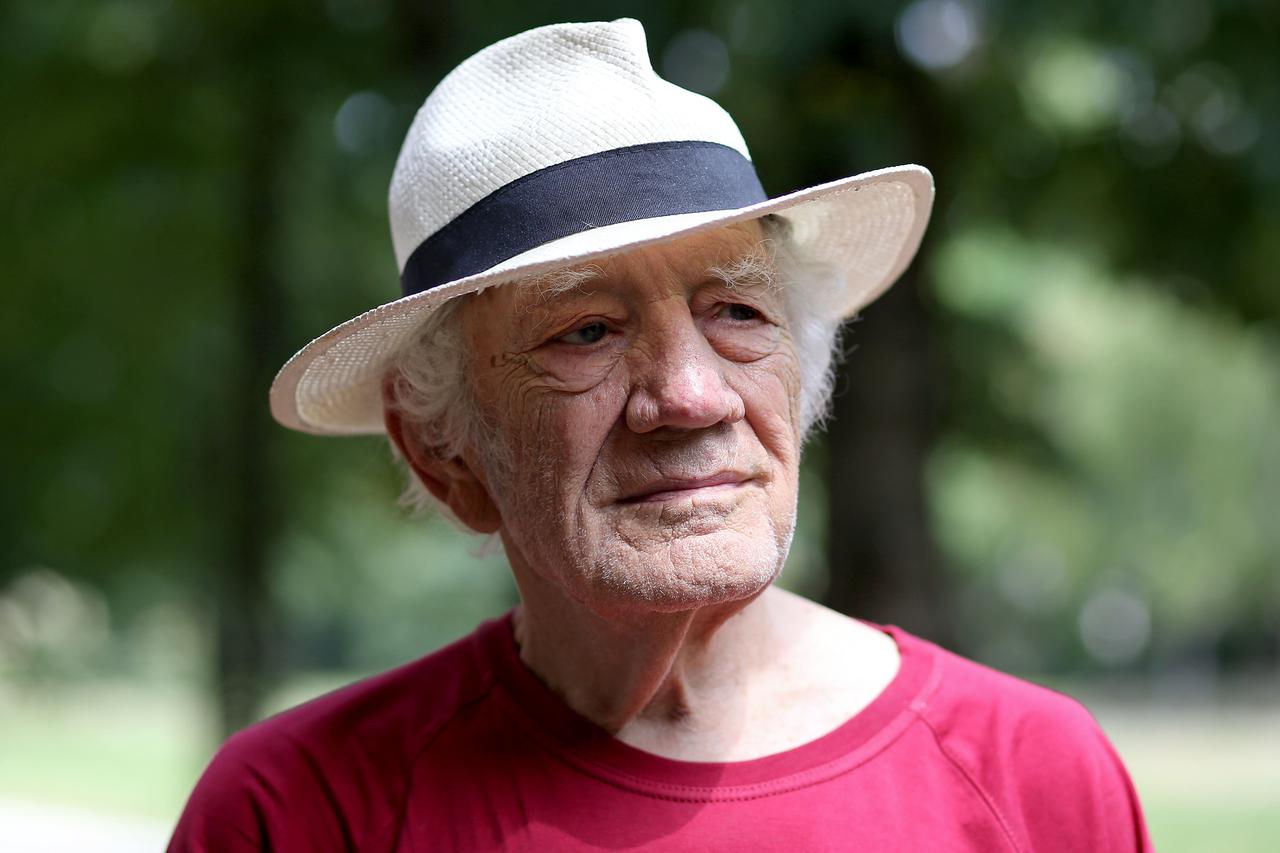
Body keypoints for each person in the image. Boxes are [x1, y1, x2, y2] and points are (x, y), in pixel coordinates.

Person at [169, 18, 1153, 852]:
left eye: (737, 312)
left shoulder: (1034, 779)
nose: (689, 395)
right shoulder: (300, 810)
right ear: (441, 448)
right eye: (585, 331)